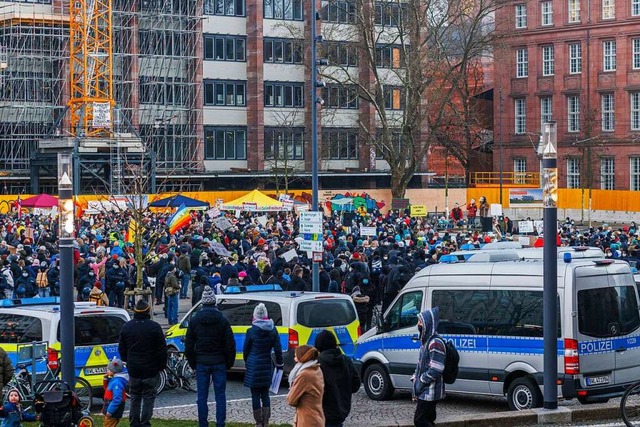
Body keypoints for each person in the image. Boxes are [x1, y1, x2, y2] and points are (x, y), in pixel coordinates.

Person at [185, 286, 236, 427]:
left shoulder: (195, 320)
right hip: (219, 361)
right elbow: (230, 344)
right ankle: (220, 423)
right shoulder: (222, 320)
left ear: (202, 302)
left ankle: (203, 423)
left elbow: (189, 344)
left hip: (201, 361)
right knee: (220, 395)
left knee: (202, 396)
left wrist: (192, 362)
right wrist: (229, 362)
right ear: (214, 303)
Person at [118, 299, 167, 427]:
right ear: (148, 311)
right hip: (151, 369)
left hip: (134, 368)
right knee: (148, 397)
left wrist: (128, 360)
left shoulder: (127, 327)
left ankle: (134, 422)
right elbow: (162, 350)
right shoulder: (154, 327)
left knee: (135, 397)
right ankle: (145, 422)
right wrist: (161, 365)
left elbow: (122, 349)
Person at [243, 303, 283, 427]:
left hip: (253, 364)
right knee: (265, 394)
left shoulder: (251, 331)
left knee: (255, 394)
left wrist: (247, 361)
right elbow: (278, 349)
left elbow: (246, 349)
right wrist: (280, 363)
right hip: (266, 363)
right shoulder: (273, 330)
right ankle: (266, 421)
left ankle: (258, 422)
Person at [315, 330, 360, 427]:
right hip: (342, 410)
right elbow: (356, 385)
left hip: (324, 412)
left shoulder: (318, 363)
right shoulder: (346, 360)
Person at [412, 307, 446, 427]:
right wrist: (415, 377)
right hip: (426, 390)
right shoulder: (426, 341)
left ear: (427, 323)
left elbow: (436, 368)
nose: (418, 324)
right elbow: (421, 363)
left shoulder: (435, 342)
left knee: (419, 420)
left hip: (430, 390)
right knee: (428, 419)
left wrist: (421, 380)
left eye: (420, 322)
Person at [286, 345, 325, 427]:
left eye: (296, 355)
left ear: (301, 356)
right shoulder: (316, 369)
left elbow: (291, 400)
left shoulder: (304, 374)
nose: (294, 358)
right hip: (317, 416)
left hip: (307, 420)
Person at [102, 357, 129, 427]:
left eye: (108, 369)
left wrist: (110, 411)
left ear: (115, 371)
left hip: (113, 410)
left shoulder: (117, 382)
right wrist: (105, 379)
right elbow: (107, 389)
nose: (107, 370)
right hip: (110, 407)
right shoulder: (114, 380)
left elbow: (117, 399)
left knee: (108, 425)